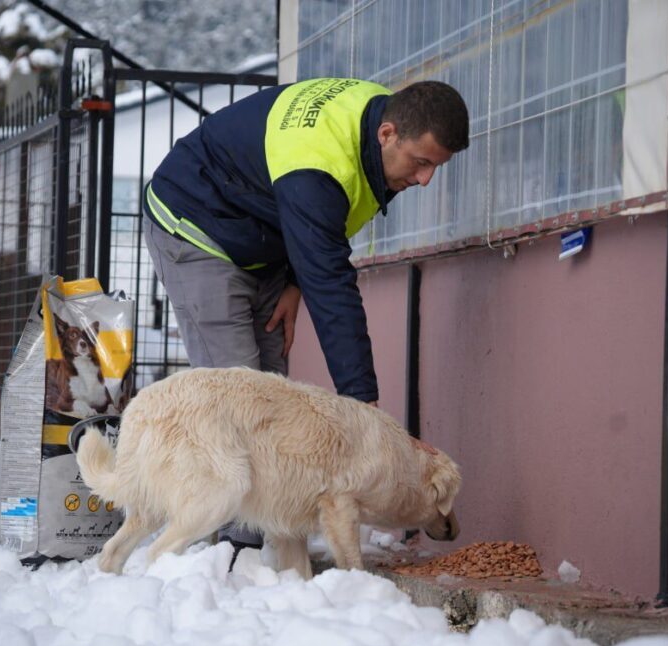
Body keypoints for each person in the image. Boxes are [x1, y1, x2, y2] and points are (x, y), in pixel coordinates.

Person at [142, 77, 469, 554]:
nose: (425, 180)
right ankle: (235, 559)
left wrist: (292, 281)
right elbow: (332, 286)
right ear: (388, 134)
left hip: (265, 231)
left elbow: (323, 237)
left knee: (272, 404)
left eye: (436, 167)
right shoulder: (321, 166)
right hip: (195, 223)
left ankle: (271, 551)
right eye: (421, 163)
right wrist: (361, 406)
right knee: (239, 401)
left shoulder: (380, 118)